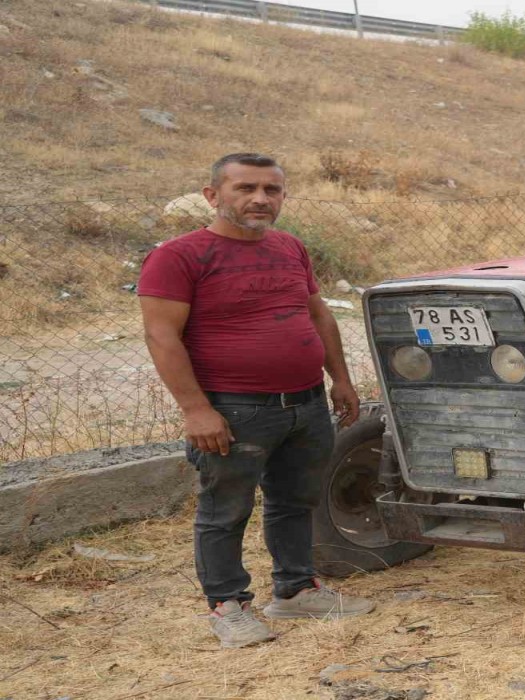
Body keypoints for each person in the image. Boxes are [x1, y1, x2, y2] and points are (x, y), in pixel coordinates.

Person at [139, 153, 374, 649]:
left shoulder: (289, 247)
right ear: (213, 195)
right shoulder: (179, 256)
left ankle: (296, 590)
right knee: (225, 510)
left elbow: (318, 315)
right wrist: (196, 410)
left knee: (295, 501)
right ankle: (228, 606)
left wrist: (340, 380)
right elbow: (162, 337)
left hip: (306, 404)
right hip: (234, 409)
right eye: (245, 188)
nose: (261, 199)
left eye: (272, 189)